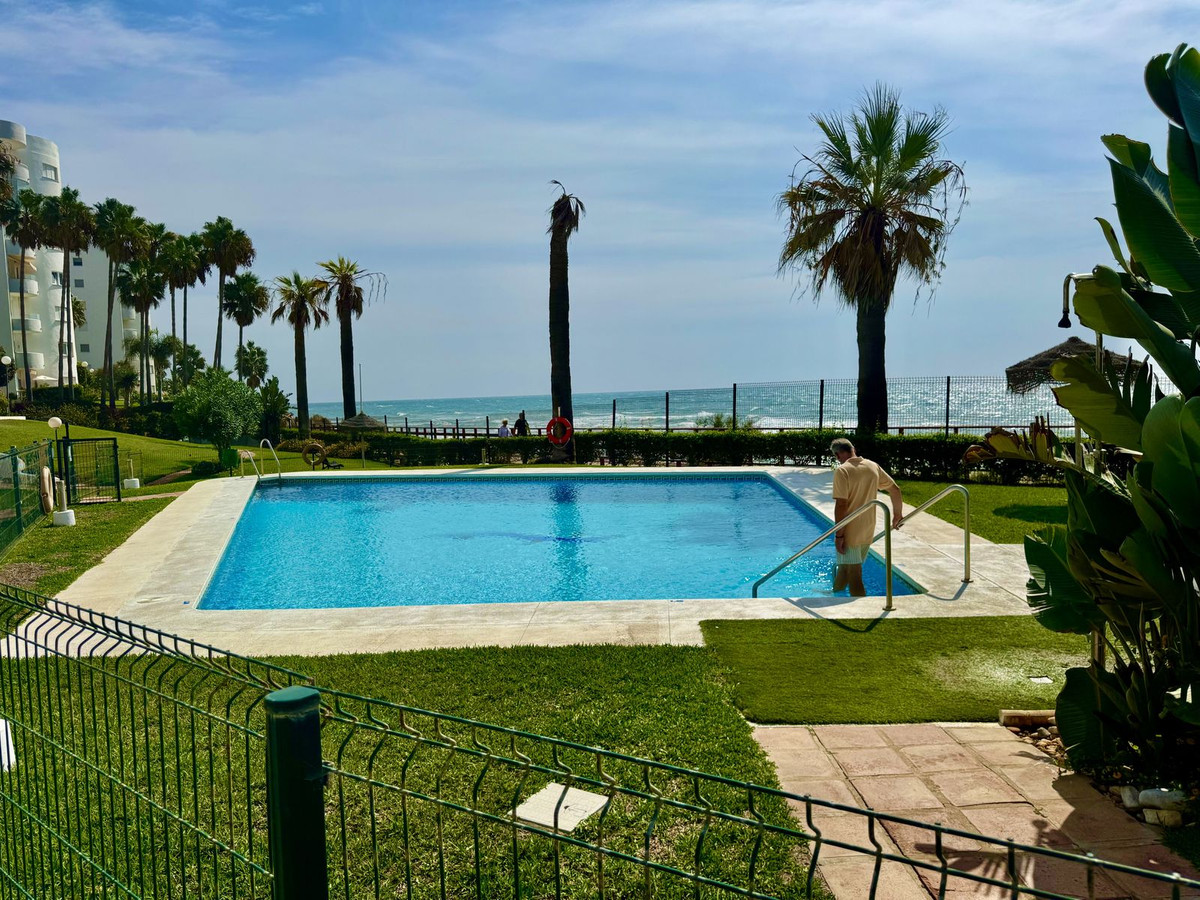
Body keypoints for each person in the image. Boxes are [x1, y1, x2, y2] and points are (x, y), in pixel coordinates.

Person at [830, 437, 902, 597]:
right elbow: (895, 489)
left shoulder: (842, 471)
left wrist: (839, 535)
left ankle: (862, 608)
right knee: (844, 568)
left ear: (838, 455)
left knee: (854, 575)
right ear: (853, 449)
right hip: (867, 529)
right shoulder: (872, 466)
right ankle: (835, 595)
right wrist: (897, 515)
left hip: (850, 531)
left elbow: (841, 505)